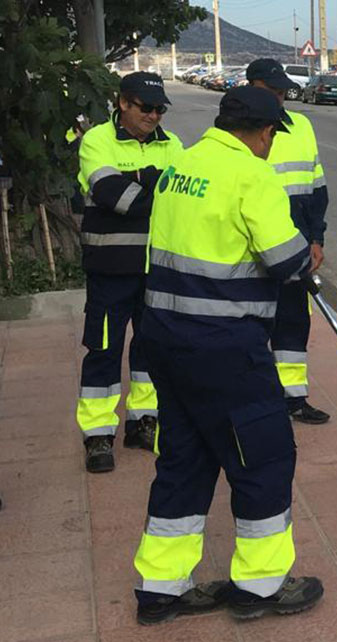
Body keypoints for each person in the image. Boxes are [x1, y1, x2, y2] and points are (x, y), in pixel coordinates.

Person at [132, 86, 323, 625]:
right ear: (263, 133)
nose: (269, 146)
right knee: (263, 457)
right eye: (271, 137)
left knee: (184, 462)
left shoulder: (181, 166)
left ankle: (161, 591)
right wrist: (303, 260)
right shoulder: (251, 175)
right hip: (224, 348)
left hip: (164, 339)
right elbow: (287, 260)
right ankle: (260, 589)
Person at [76, 72, 183, 473]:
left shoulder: (174, 145)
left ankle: (143, 421)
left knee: (151, 350)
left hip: (157, 269)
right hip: (110, 269)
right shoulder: (96, 141)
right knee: (103, 350)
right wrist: (155, 181)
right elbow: (114, 197)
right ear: (123, 103)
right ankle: (98, 434)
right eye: (146, 107)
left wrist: (139, 182)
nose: (154, 116)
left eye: (160, 109)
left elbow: (180, 201)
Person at [245, 58, 332, 425]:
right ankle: (256, 399)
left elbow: (316, 188)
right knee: (252, 328)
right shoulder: (241, 130)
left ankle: (293, 398)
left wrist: (316, 238)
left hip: (295, 248)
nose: (279, 98)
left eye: (282, 91)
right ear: (250, 87)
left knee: (294, 324)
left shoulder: (301, 127)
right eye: (271, 91)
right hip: (252, 250)